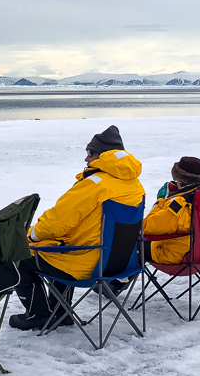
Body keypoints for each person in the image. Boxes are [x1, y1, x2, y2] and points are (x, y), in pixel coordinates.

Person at [10, 125, 144, 331]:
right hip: (121, 263)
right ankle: (60, 312)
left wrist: (31, 236)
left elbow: (57, 221)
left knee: (23, 260)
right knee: (62, 247)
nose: (86, 159)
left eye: (90, 153)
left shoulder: (96, 184)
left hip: (88, 264)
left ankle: (39, 315)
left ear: (104, 156)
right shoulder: (135, 186)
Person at [142, 157, 200, 264]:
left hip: (179, 256)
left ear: (181, 180)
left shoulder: (181, 204)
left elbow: (145, 228)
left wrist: (160, 201)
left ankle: (121, 277)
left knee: (131, 241)